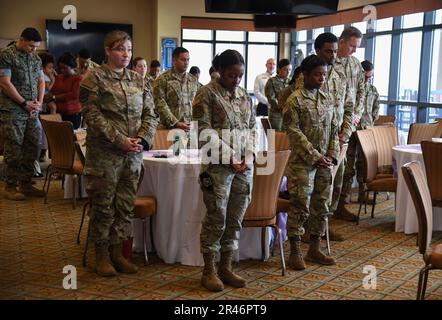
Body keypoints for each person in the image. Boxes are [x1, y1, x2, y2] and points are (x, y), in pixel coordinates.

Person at [79, 31, 159, 277]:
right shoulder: (94, 79)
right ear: (107, 51)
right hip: (105, 155)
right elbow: (92, 116)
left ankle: (118, 254)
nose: (126, 54)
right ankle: (100, 256)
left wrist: (143, 138)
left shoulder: (139, 80)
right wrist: (120, 140)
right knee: (103, 206)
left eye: (129, 49)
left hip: (133, 155)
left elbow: (151, 113)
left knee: (124, 206)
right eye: (120, 49)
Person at [193, 50, 256, 292]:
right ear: (220, 71)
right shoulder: (206, 94)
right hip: (217, 167)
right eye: (232, 75)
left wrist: (247, 155)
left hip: (243, 167)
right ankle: (208, 270)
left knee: (235, 218)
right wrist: (231, 156)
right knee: (216, 217)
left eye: (240, 76)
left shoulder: (243, 96)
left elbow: (252, 128)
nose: (237, 80)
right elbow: (203, 131)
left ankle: (226, 267)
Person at [283, 55, 339, 270]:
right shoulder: (294, 100)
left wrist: (332, 154)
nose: (321, 79)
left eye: (324, 75)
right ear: (305, 75)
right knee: (300, 207)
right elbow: (294, 132)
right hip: (302, 164)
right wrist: (316, 156)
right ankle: (295, 251)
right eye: (317, 74)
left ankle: (315, 248)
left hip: (325, 162)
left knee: (321, 205)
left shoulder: (325, 98)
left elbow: (334, 129)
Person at [0, 27, 46, 200]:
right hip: (13, 109)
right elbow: (5, 83)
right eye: (31, 46)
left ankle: (26, 184)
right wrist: (24, 103)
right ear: (21, 40)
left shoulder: (35, 59)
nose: (34, 50)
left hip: (32, 110)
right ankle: (10, 186)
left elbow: (41, 81)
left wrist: (39, 103)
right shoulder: (7, 55)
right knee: (14, 147)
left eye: (36, 47)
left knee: (32, 146)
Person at [333, 27, 367, 221]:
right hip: (334, 124)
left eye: (357, 47)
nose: (354, 50)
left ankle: (340, 205)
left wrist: (357, 113)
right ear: (342, 41)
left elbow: (362, 90)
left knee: (347, 167)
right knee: (333, 169)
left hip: (351, 124)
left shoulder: (355, 64)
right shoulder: (329, 63)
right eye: (352, 46)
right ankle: (322, 215)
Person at [352, 60, 380, 201]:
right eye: (366, 77)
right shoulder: (352, 88)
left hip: (366, 130)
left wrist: (370, 122)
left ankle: (362, 195)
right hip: (351, 130)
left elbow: (376, 109)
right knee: (349, 165)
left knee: (364, 164)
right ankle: (343, 199)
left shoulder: (372, 90)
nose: (368, 79)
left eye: (370, 77)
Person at [153, 47, 198, 132]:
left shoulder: (193, 80)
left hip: (190, 127)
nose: (186, 63)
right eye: (183, 60)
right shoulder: (163, 79)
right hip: (170, 128)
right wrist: (175, 123)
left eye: (188, 60)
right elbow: (160, 104)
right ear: (174, 60)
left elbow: (196, 103)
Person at [45, 52, 83, 129]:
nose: (62, 70)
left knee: (70, 138)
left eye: (65, 68)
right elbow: (51, 90)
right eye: (60, 68)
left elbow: (74, 95)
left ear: (72, 67)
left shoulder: (78, 78)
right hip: (57, 114)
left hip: (72, 115)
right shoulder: (58, 77)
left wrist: (54, 98)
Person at [265, 58, 292, 131]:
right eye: (285, 69)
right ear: (279, 69)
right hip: (276, 116)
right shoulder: (272, 81)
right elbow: (271, 98)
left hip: (288, 116)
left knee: (285, 139)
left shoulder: (291, 82)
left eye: (289, 70)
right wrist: (283, 108)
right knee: (274, 139)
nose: (288, 72)